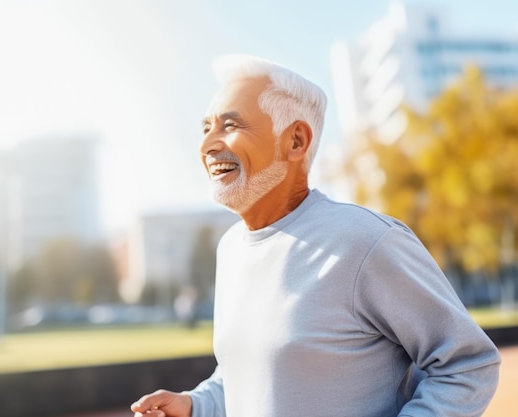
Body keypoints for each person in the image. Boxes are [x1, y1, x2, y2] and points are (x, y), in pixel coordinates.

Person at [131, 54, 501, 417]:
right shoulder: (230, 249)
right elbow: (248, 377)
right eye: (206, 128)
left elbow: (467, 365)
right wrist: (196, 404)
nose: (207, 145)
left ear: (296, 141)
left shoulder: (367, 243)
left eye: (230, 126)